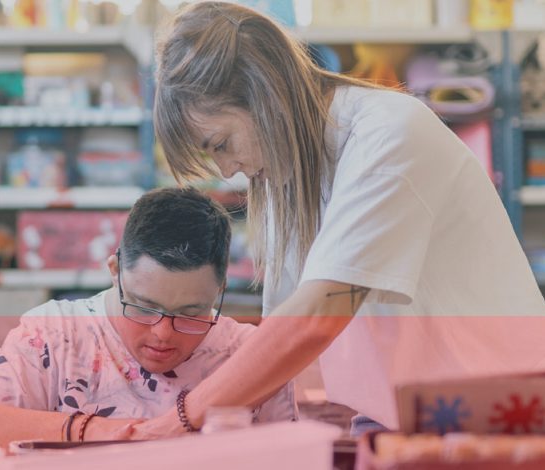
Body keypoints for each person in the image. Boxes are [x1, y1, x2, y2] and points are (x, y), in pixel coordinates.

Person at [134, 1, 545, 439]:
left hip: (498, 414)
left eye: (220, 143)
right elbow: (287, 333)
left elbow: (314, 319)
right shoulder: (288, 173)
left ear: (266, 96)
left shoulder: (388, 134)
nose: (227, 169)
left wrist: (173, 420)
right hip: (403, 417)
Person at [0, 188, 297, 449]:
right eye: (144, 307)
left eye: (191, 312)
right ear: (115, 271)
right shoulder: (55, 336)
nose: (163, 334)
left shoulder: (251, 355)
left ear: (220, 289)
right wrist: (106, 432)